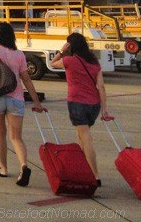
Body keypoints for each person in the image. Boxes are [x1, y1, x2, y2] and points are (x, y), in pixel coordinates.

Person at [0, 22, 45, 186]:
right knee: (16, 137)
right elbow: (26, 79)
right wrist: (36, 101)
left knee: (0, 132)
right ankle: (24, 166)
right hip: (16, 98)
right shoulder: (19, 54)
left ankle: (3, 168)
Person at [50, 33, 109, 186]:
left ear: (71, 46)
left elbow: (52, 63)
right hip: (94, 105)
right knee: (81, 136)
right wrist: (104, 108)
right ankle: (84, 169)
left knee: (86, 138)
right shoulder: (94, 62)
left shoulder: (69, 60)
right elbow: (101, 86)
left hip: (77, 103)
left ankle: (94, 175)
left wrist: (62, 51)